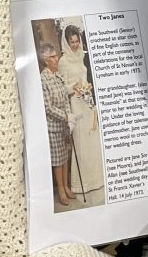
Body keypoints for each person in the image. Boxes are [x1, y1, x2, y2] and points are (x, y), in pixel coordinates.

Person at [58, 23, 104, 198]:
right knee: (81, 143)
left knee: (92, 140)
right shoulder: (63, 61)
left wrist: (87, 89)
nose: (75, 44)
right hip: (75, 104)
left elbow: (85, 78)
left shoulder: (80, 57)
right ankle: (82, 183)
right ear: (66, 42)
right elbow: (63, 88)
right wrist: (74, 87)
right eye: (72, 41)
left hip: (87, 101)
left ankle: (97, 179)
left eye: (77, 41)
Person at [39, 41, 74, 206]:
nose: (56, 58)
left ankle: (66, 187)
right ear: (46, 60)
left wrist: (69, 115)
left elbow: (66, 97)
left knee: (65, 157)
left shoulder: (58, 75)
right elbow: (47, 107)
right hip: (53, 126)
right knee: (58, 160)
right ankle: (60, 190)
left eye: (55, 55)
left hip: (64, 125)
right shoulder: (43, 79)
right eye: (53, 57)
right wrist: (64, 116)